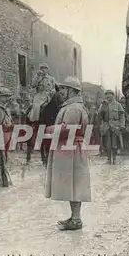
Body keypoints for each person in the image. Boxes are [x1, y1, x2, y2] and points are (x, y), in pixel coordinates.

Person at [45, 76, 91, 231]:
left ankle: (76, 220)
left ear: (72, 90)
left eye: (64, 89)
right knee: (73, 184)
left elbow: (66, 129)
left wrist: (49, 129)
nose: (62, 92)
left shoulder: (73, 108)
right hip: (71, 148)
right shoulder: (74, 106)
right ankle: (74, 217)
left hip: (71, 149)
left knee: (74, 184)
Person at [0, 88, 14, 187]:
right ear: (1, 97)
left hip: (7, 136)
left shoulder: (7, 109)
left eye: (9, 97)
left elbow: (10, 121)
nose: (8, 99)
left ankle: (3, 181)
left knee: (4, 159)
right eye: (6, 97)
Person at [98, 90, 125, 164]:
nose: (108, 97)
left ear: (113, 96)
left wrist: (122, 125)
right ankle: (109, 159)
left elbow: (122, 116)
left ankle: (114, 158)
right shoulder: (103, 105)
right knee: (107, 144)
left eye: (109, 96)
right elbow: (99, 116)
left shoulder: (118, 105)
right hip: (106, 126)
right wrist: (102, 107)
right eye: (107, 96)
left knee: (114, 144)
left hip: (115, 126)